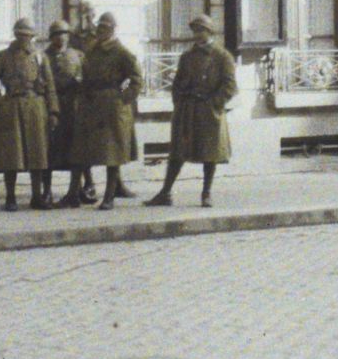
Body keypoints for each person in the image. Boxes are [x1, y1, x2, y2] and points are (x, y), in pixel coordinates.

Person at [147, 14, 238, 208]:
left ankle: (206, 193)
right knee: (177, 152)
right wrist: (179, 102)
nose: (197, 34)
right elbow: (178, 83)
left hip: (209, 111)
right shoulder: (187, 57)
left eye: (201, 30)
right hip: (187, 111)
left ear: (210, 32)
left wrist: (214, 103)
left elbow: (230, 87)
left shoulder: (222, 57)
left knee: (209, 154)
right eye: (195, 31)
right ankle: (165, 192)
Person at [0, 19, 59, 210]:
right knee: (11, 154)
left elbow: (50, 87)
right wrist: (1, 103)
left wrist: (53, 111)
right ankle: (10, 197)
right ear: (15, 35)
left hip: (36, 107)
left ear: (33, 37)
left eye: (28, 36)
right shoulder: (2, 57)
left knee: (38, 152)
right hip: (12, 108)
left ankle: (37, 196)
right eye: (21, 35)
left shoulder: (40, 57)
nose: (24, 39)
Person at [75, 11, 142, 210]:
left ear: (113, 30)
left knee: (112, 152)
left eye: (105, 28)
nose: (101, 31)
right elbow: (86, 75)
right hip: (94, 105)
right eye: (99, 27)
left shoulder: (122, 52)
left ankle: (109, 196)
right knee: (95, 151)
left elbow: (135, 79)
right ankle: (103, 189)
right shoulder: (92, 50)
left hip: (114, 107)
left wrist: (122, 97)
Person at [46, 20, 94, 208]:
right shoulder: (44, 57)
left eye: (64, 33)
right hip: (53, 106)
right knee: (50, 149)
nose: (61, 37)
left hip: (74, 107)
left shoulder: (78, 55)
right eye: (56, 34)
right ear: (51, 37)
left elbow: (86, 78)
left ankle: (83, 187)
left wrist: (79, 82)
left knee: (78, 148)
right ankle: (47, 190)